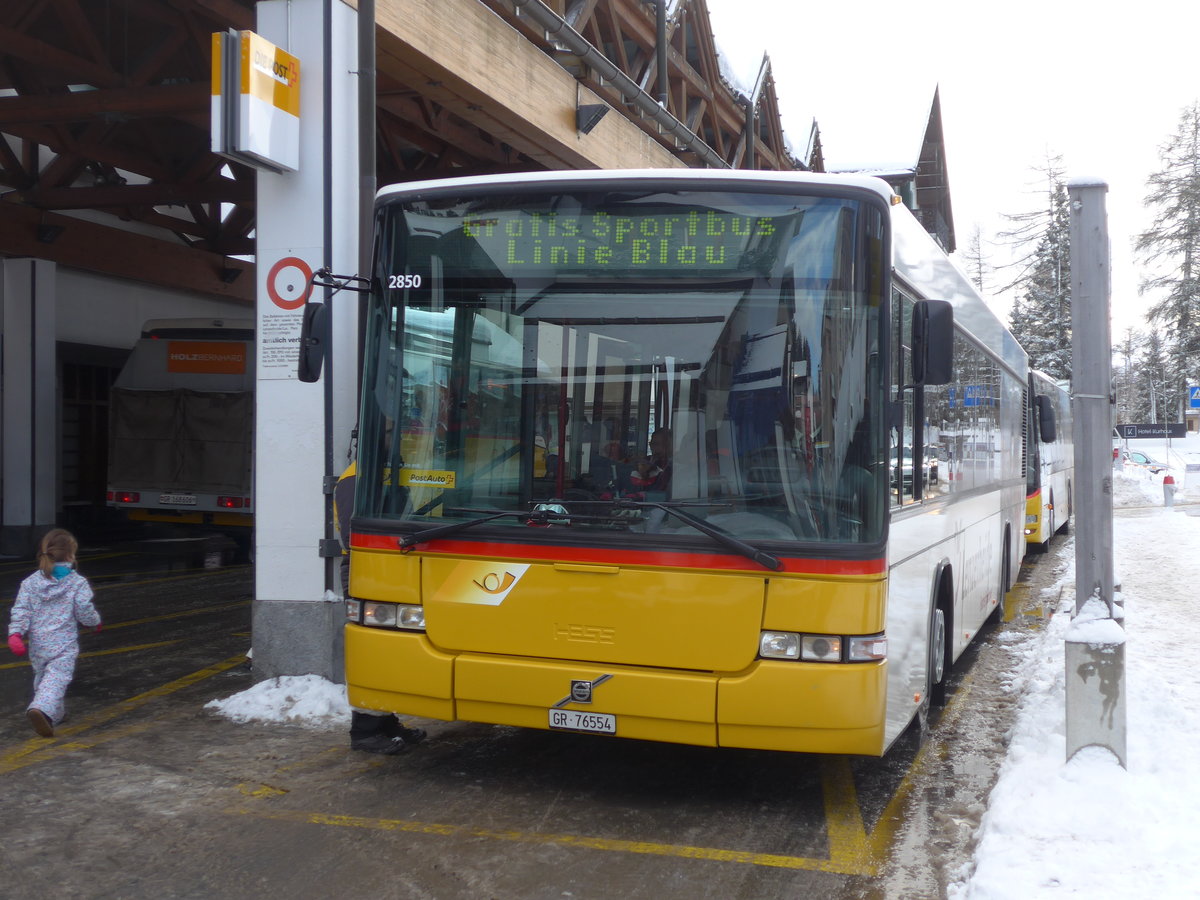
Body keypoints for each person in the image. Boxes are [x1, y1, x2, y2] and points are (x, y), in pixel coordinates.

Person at [333, 459, 427, 755]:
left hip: (385, 563)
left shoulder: (383, 471)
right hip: (366, 564)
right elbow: (355, 532)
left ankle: (385, 722)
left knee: (392, 646)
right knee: (373, 648)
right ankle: (363, 732)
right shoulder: (356, 477)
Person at [6, 528, 101, 738]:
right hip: (64, 645)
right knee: (57, 678)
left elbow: (21, 609)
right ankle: (40, 709)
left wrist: (15, 634)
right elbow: (84, 611)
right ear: (70, 556)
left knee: (44, 679)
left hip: (39, 645)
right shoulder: (77, 583)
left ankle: (55, 714)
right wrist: (95, 622)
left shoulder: (30, 583)